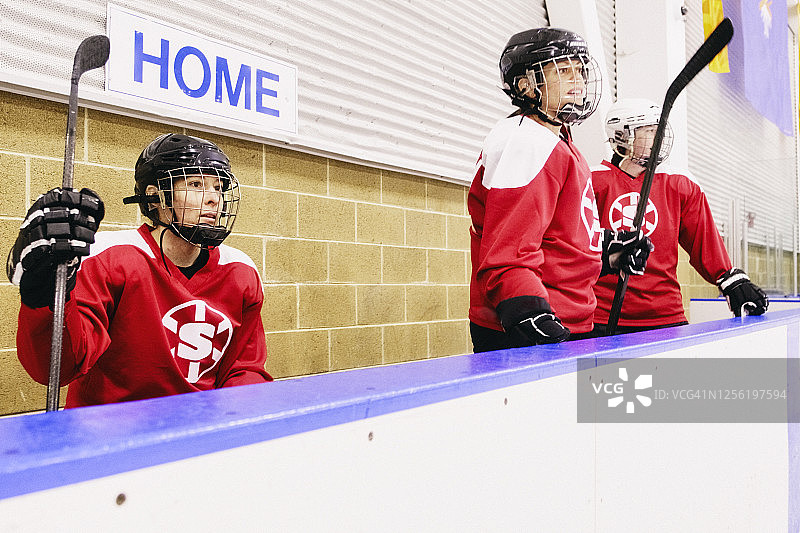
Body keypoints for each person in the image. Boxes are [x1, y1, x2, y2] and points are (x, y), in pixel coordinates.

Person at [7, 133, 272, 408]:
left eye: (217, 187)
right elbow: (60, 367)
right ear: (155, 197)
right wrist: (44, 297)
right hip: (110, 426)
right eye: (196, 184)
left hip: (200, 425)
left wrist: (240, 418)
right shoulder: (109, 257)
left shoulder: (240, 270)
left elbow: (243, 368)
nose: (214, 199)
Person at [468, 28, 653, 353]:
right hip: (533, 323)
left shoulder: (558, 141)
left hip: (569, 317)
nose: (578, 80)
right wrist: (527, 311)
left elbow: (560, 242)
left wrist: (609, 253)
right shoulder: (526, 141)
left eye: (579, 70)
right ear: (526, 85)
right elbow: (507, 252)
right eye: (563, 70)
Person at [591, 98, 768, 334]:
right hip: (602, 316)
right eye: (649, 131)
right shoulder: (590, 180)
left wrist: (728, 278)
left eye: (659, 130)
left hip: (665, 315)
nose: (659, 138)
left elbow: (703, 241)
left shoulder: (679, 183)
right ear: (622, 136)